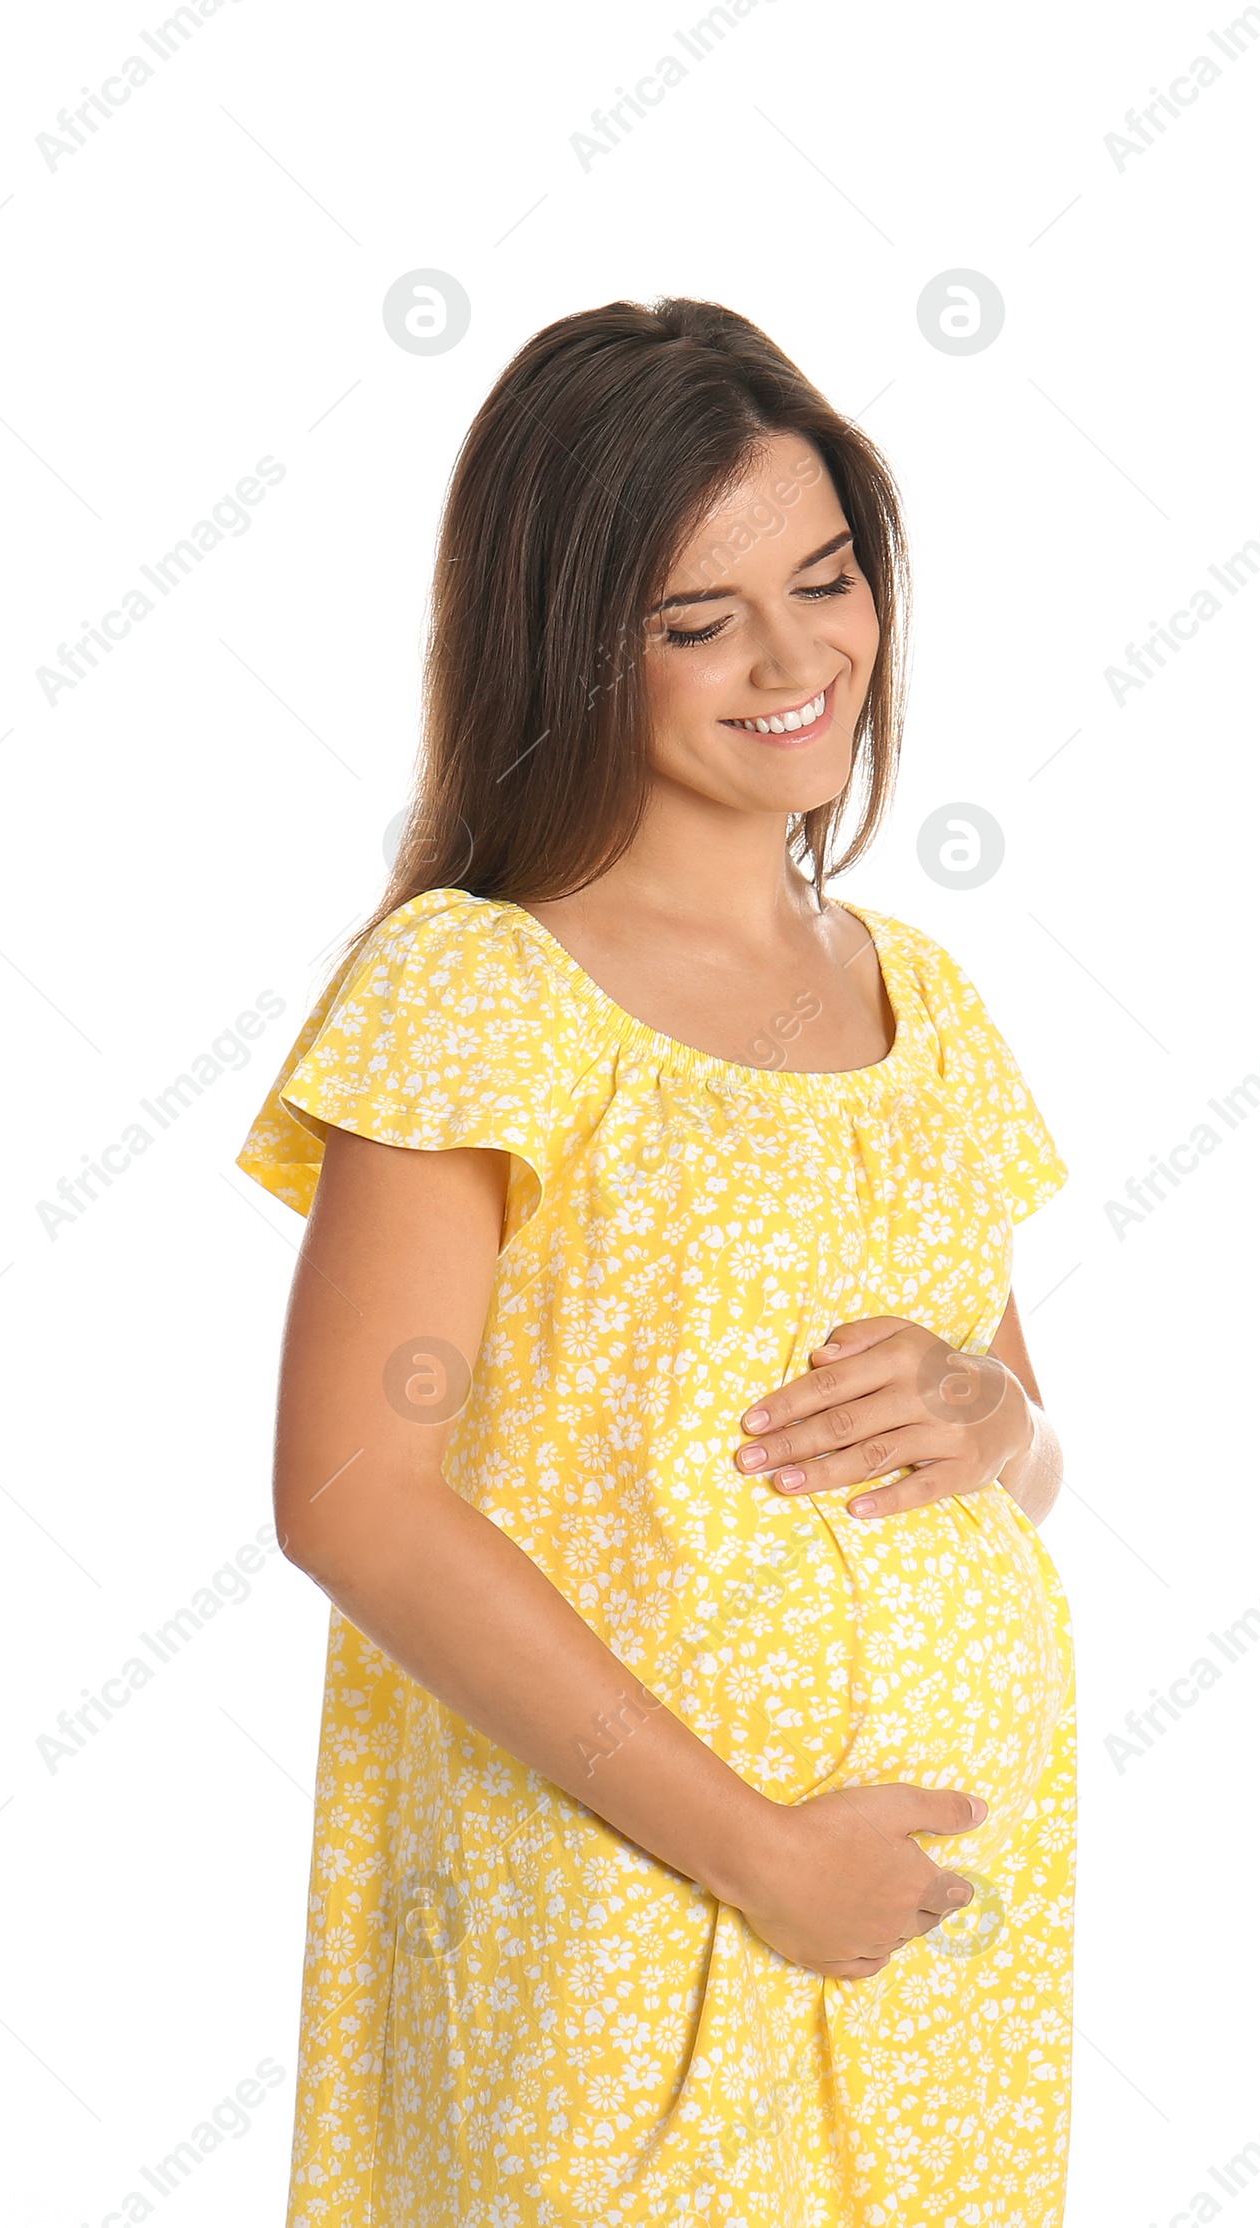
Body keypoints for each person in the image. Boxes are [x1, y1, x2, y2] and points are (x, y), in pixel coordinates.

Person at [237, 296, 1075, 2226]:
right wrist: (757, 1853)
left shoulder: (920, 997)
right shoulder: (477, 988)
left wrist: (994, 1414)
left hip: (942, 1945)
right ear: (564, 642)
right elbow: (354, 1501)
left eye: (828, 579)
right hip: (624, 1920)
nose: (796, 660)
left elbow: (1027, 1455)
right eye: (699, 622)